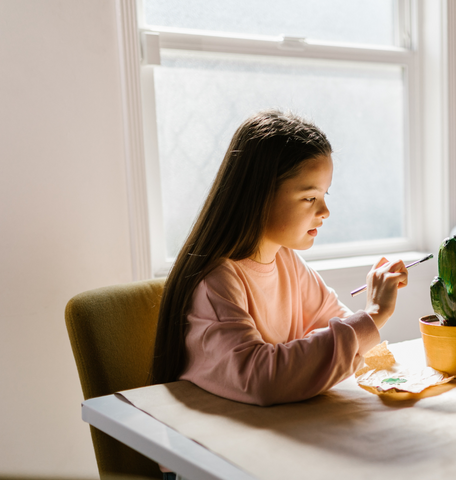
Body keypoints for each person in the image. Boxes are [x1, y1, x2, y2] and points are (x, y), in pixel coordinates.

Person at [149, 109, 408, 406]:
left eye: (325, 195)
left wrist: (365, 322)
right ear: (258, 196)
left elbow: (340, 330)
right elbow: (262, 379)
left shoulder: (286, 260)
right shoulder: (216, 282)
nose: (325, 212)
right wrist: (374, 313)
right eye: (310, 198)